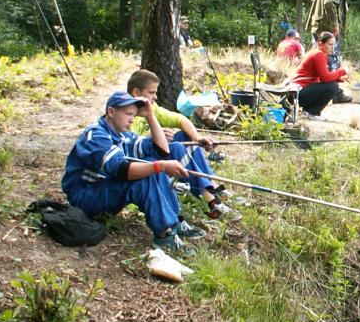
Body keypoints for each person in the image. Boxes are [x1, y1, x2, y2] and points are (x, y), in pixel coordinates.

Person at [61, 92, 205, 253]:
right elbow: (122, 170)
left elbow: (161, 151)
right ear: (111, 112)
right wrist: (160, 166)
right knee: (146, 175)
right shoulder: (95, 136)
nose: (132, 119)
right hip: (85, 196)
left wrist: (150, 116)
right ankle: (165, 235)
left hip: (103, 189)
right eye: (128, 114)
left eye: (134, 115)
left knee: (152, 161)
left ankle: (174, 221)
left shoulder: (123, 135)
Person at [126, 69, 235, 220]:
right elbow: (128, 146)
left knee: (186, 135)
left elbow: (180, 119)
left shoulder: (150, 106)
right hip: (141, 161)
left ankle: (212, 185)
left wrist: (197, 137)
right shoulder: (126, 111)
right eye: (151, 93)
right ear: (137, 93)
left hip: (157, 151)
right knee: (177, 147)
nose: (155, 97)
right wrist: (152, 137)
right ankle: (210, 201)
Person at [306, 0, 350, 74]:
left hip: (318, 27)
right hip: (326, 30)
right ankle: (330, 88)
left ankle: (319, 86)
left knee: (317, 59)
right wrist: (335, 25)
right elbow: (329, 3)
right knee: (331, 63)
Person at [292, 31, 350, 117]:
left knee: (332, 84)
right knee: (333, 86)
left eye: (333, 45)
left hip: (295, 92)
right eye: (330, 45)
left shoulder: (317, 53)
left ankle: (309, 111)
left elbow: (322, 77)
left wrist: (339, 79)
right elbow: (325, 78)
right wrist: (342, 71)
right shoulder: (319, 55)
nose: (332, 48)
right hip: (297, 93)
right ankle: (311, 112)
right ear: (320, 44)